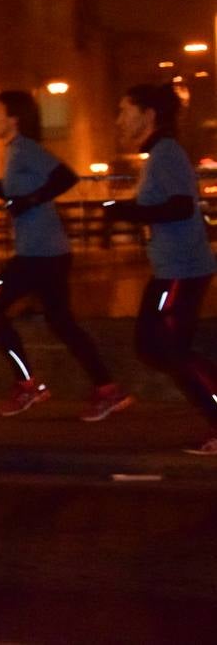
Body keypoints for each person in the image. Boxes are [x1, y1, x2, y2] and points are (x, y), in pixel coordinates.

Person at [0, 90, 133, 420]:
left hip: (39, 252)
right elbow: (16, 196)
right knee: (62, 323)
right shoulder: (15, 152)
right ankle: (108, 389)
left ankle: (28, 385)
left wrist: (32, 200)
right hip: (46, 250)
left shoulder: (25, 148)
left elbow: (66, 177)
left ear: (14, 119)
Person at [106, 83, 217, 454]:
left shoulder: (166, 153)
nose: (119, 120)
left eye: (125, 110)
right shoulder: (157, 155)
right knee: (152, 347)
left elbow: (181, 207)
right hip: (170, 269)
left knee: (169, 348)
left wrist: (127, 211)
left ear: (148, 115)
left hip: (181, 270)